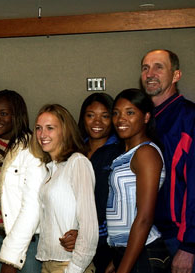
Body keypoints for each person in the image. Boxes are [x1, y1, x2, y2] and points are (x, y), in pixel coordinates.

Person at [141, 49, 195, 273]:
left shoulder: (190, 118)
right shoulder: (144, 120)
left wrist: (189, 246)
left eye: (159, 67)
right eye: (145, 68)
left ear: (176, 75)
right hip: (152, 237)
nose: (150, 73)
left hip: (184, 241)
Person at [0, 90, 47, 273]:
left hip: (28, 243)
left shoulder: (32, 150)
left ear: (16, 116)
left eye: (3, 113)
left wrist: (10, 259)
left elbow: (32, 208)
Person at [106, 88, 170, 272]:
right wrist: (117, 259)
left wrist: (123, 268)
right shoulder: (126, 155)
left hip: (146, 253)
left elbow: (144, 218)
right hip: (128, 252)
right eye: (116, 113)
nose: (120, 119)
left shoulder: (146, 153)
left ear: (146, 117)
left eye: (130, 112)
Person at [31, 104, 98, 273]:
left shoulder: (78, 162)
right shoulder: (52, 169)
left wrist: (74, 269)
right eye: (39, 128)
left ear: (65, 131)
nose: (42, 134)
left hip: (69, 265)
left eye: (50, 128)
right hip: (47, 263)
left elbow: (89, 227)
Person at [78, 93, 123, 273]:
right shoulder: (75, 150)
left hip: (108, 243)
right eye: (91, 115)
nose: (97, 122)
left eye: (104, 116)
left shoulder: (121, 152)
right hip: (77, 239)